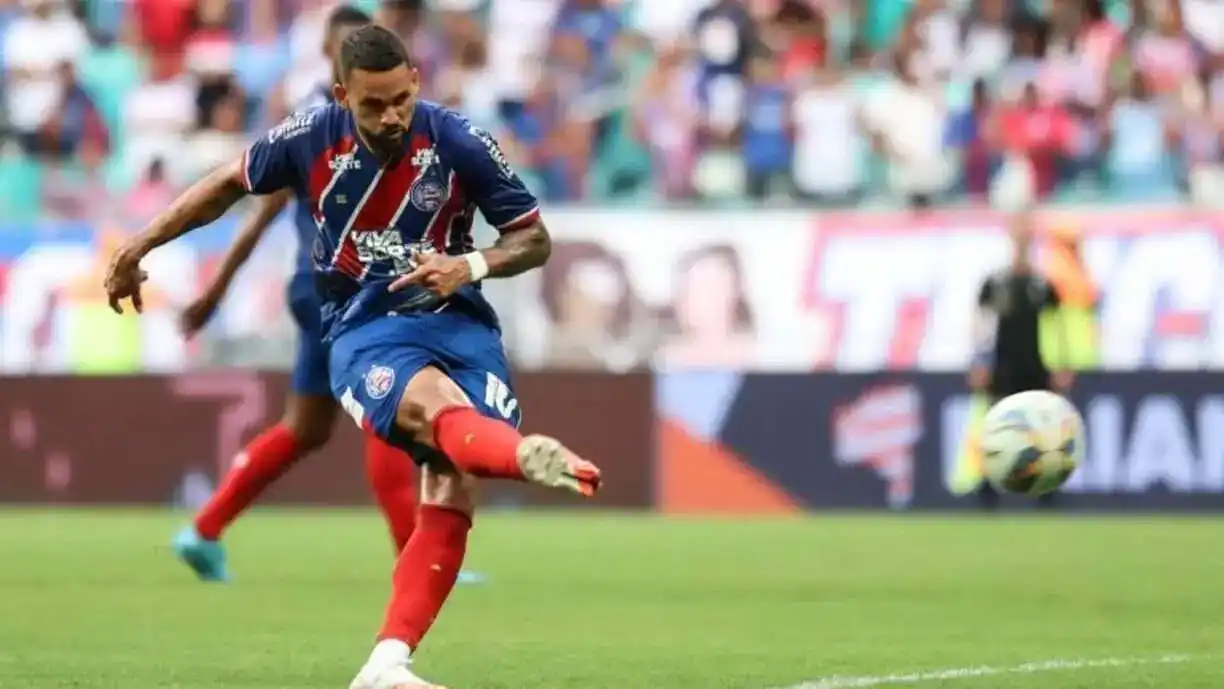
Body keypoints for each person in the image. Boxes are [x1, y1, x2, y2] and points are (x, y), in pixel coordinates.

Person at [103, 25, 601, 689]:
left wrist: (471, 264)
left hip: (460, 320)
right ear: (343, 95)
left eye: (401, 99)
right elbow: (225, 184)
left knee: (453, 475)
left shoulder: (457, 139)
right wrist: (135, 247)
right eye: (373, 105)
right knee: (434, 413)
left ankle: (386, 663)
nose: (391, 116)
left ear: (416, 82)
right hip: (365, 325)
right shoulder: (310, 135)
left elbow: (533, 240)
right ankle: (524, 457)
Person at [172, 5, 445, 585]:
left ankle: (204, 529)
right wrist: (217, 289)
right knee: (387, 407)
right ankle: (416, 557)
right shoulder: (318, 129)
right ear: (329, 56)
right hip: (339, 288)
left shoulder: (354, 119)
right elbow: (259, 212)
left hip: (319, 287)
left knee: (307, 428)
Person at [967, 212, 1072, 510]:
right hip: (1002, 365)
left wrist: (1062, 364)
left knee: (1041, 429)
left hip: (1033, 365)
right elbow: (980, 323)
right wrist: (978, 361)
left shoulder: (1041, 284)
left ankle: (1045, 489)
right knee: (996, 427)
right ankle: (988, 487)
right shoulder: (996, 283)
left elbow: (1058, 325)